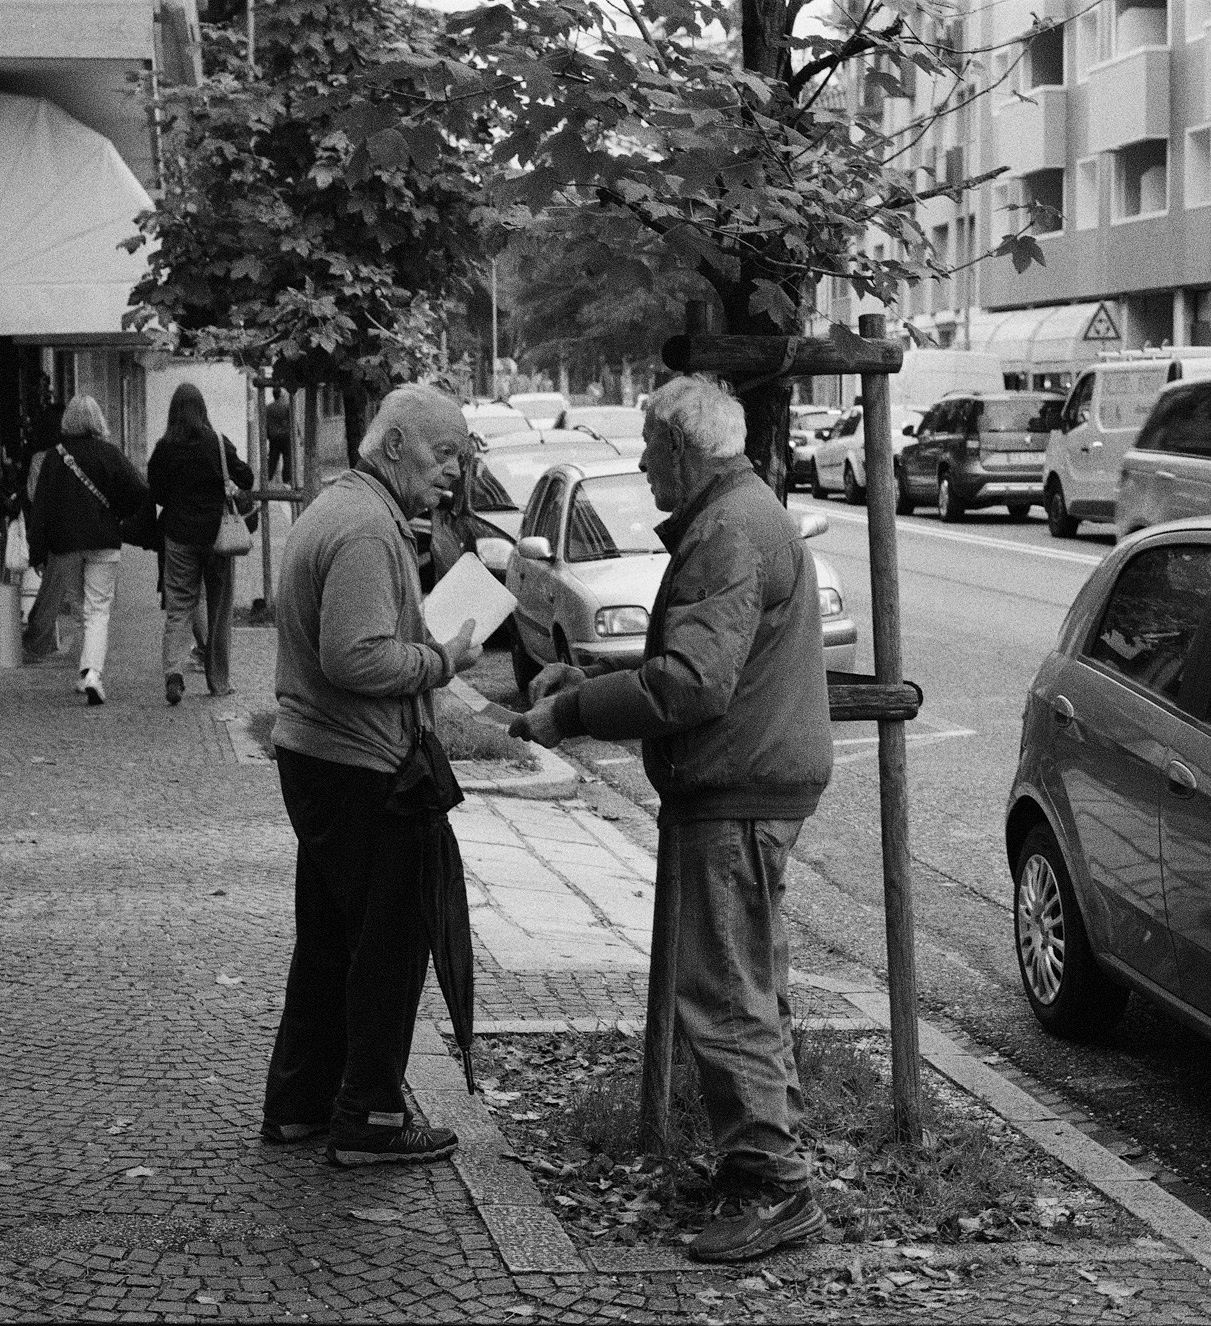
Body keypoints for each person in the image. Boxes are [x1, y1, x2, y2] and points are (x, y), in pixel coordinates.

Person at [510, 374, 833, 1263]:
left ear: (685, 452)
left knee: (724, 993)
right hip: (744, 780)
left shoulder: (729, 529)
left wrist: (573, 715)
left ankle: (773, 1185)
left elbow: (693, 683)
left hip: (736, 789)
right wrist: (589, 685)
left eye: (651, 452)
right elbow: (693, 663)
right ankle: (752, 1165)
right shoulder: (740, 514)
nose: (645, 468)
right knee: (740, 983)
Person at [260, 383, 481, 1166]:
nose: (453, 469)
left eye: (459, 453)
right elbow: (353, 656)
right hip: (359, 765)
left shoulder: (345, 508)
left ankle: (300, 1104)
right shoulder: (363, 527)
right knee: (390, 940)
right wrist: (444, 658)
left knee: (328, 938)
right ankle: (371, 1118)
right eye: (442, 452)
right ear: (393, 446)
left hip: (319, 757)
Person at [19, 396, 149, 705]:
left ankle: (87, 672)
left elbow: (42, 510)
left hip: (65, 546)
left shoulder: (54, 458)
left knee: (81, 609)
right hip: (104, 542)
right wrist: (117, 513)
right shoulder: (110, 454)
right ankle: (91, 673)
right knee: (98, 610)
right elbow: (140, 490)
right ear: (98, 420)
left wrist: (38, 553)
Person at [147, 383, 255, 704]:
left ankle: (174, 675)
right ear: (203, 409)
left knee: (179, 606)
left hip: (179, 537)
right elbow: (246, 478)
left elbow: (157, 495)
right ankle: (218, 682)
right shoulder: (218, 444)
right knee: (219, 609)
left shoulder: (163, 448)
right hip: (216, 537)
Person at [263, 388, 293, 487]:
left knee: (272, 458)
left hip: (273, 437)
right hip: (285, 436)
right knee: (287, 458)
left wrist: (268, 435)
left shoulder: (268, 408)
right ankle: (286, 481)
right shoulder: (286, 406)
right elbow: (291, 421)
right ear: (280, 395)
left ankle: (268, 479)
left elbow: (266, 424)